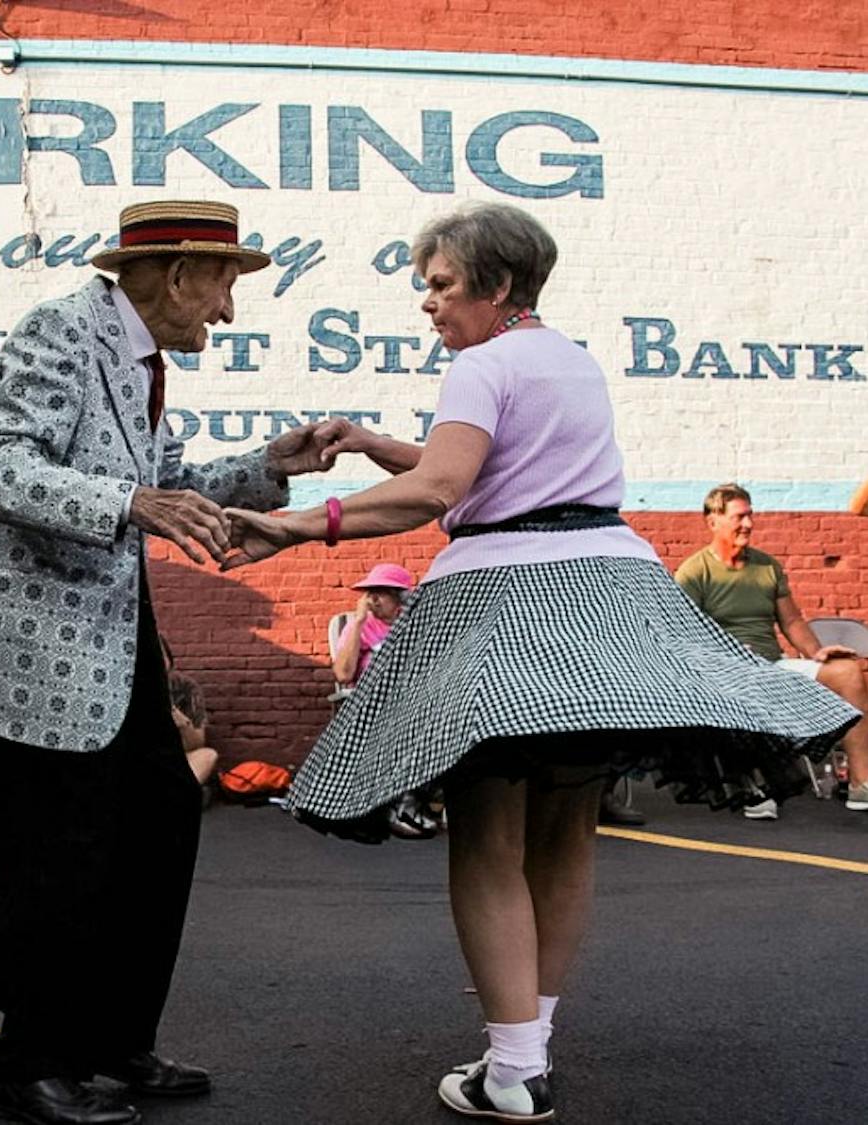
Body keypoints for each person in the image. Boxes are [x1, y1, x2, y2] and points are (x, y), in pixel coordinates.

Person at [221, 202, 857, 1123]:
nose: (428, 304)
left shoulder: (479, 366)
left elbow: (441, 489)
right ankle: (525, 1055)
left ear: (497, 283)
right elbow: (493, 466)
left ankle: (513, 1070)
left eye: (439, 285)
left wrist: (286, 525)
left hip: (509, 601)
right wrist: (370, 442)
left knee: (487, 832)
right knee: (565, 829)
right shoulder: (571, 359)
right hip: (608, 594)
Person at [0, 200, 336, 1125]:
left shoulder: (141, 361)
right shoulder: (63, 330)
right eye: (225, 284)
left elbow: (166, 485)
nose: (227, 310)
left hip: (112, 644)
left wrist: (270, 466)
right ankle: (26, 1064)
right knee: (52, 860)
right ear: (179, 273)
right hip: (32, 653)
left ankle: (113, 1040)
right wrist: (125, 503)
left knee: (159, 821)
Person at [675, 482, 868, 816]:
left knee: (848, 671)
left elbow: (792, 622)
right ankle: (754, 785)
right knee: (747, 679)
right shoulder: (694, 572)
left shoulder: (767, 567)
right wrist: (725, 655)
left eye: (750, 516)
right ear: (713, 521)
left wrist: (815, 653)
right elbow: (681, 633)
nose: (748, 524)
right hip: (724, 670)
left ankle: (860, 783)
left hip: (772, 664)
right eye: (739, 517)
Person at [329, 563, 442, 839]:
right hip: (371, 705)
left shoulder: (417, 627)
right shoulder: (361, 627)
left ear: (400, 598)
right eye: (370, 592)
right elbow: (343, 674)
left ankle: (410, 801)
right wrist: (356, 623)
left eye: (381, 592)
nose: (372, 599)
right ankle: (402, 803)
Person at [158, 637, 218, 790]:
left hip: (176, 761)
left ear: (169, 660)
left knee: (208, 756)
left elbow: (198, 744)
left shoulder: (185, 687)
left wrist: (182, 723)